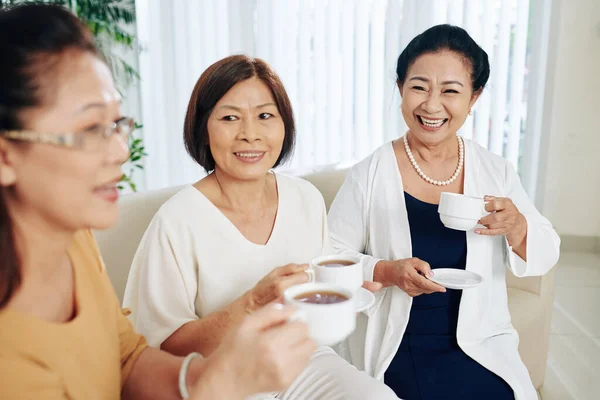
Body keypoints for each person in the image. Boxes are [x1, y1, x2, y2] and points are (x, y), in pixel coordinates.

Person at [0, 4, 316, 399]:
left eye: (117, 124)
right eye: (88, 128)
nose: (120, 150)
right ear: (5, 156)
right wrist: (217, 385)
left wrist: (209, 379)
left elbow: (127, 359)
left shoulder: (74, 242)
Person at [123, 54, 398, 399]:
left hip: (303, 359)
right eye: (229, 118)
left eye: (265, 116)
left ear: (284, 125)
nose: (250, 134)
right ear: (203, 130)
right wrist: (253, 302)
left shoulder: (305, 198)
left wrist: (344, 293)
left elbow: (315, 290)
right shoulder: (177, 220)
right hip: (221, 375)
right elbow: (165, 349)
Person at [327, 24, 560, 400]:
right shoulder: (370, 172)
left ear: (474, 97)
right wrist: (385, 271)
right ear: (401, 89)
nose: (432, 105)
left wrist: (517, 226)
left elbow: (547, 249)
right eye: (419, 87)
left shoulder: (495, 170)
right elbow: (329, 256)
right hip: (396, 340)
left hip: (480, 344)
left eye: (450, 91)